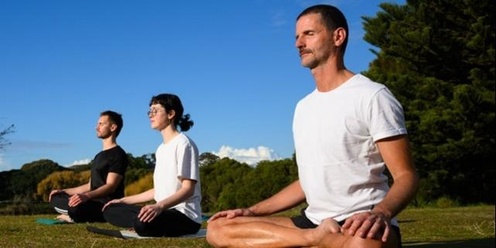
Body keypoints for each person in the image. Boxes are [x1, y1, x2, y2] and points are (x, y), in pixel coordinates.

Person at [206, 4, 419, 248]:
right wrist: (252, 211)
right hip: (313, 224)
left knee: (361, 244)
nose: (298, 43)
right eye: (297, 37)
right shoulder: (303, 107)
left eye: (309, 34)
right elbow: (307, 182)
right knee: (218, 229)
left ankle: (315, 242)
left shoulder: (372, 96)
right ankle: (313, 240)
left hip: (358, 223)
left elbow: (406, 176)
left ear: (338, 36)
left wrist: (381, 213)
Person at [102, 93, 202, 237]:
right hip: (162, 211)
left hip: (185, 217)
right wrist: (123, 200)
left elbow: (188, 189)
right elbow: (158, 191)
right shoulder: (161, 149)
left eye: (155, 111)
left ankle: (142, 223)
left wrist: (159, 206)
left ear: (171, 114)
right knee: (111, 209)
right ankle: (142, 221)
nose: (151, 115)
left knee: (142, 223)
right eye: (150, 111)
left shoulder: (184, 144)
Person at [49, 110, 128, 223]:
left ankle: (75, 215)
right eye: (97, 124)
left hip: (105, 205)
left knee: (75, 207)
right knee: (56, 197)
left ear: (113, 127)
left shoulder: (118, 154)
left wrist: (87, 197)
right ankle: (75, 214)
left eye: (101, 124)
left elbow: (111, 186)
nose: (97, 127)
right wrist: (63, 191)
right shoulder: (98, 156)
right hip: (91, 201)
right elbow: (90, 185)